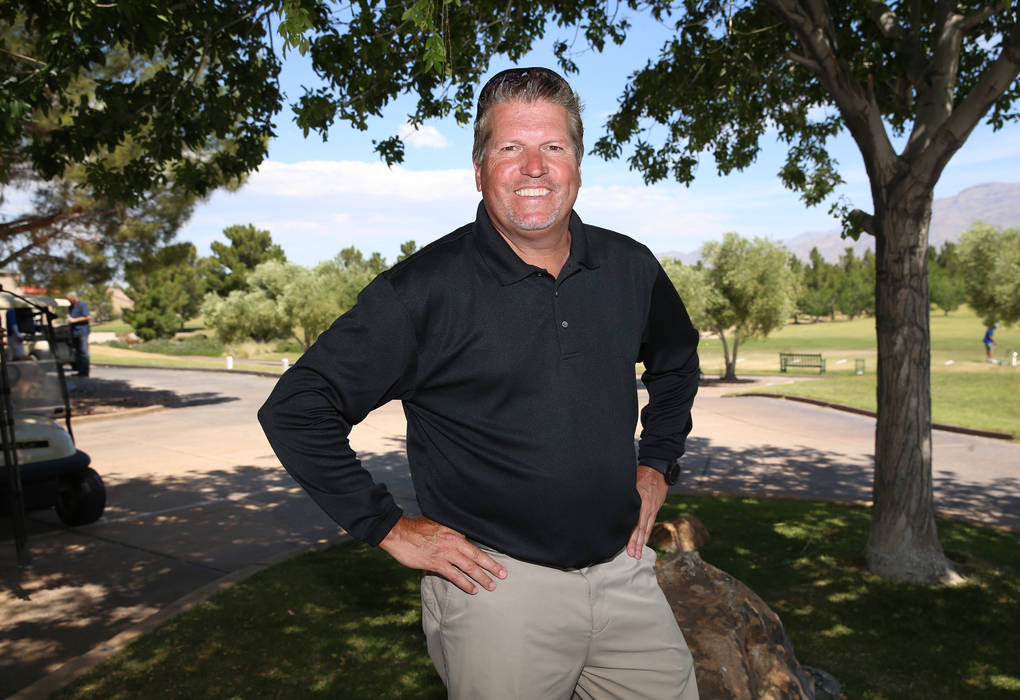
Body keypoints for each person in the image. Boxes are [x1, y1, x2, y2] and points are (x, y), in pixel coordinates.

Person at [259, 66, 701, 699]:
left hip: (623, 573)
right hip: (496, 594)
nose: (534, 166)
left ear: (578, 162)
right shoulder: (422, 292)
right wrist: (387, 527)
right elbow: (298, 409)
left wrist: (656, 462)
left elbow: (677, 363)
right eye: (510, 148)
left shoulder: (629, 266)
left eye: (553, 146)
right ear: (478, 168)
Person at [65, 291, 91, 376]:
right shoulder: (71, 307)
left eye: (69, 299)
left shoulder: (82, 305)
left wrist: (74, 320)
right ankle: (80, 371)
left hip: (82, 332)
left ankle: (85, 371)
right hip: (74, 332)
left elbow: (87, 317)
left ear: (73, 298)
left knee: (84, 352)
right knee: (77, 352)